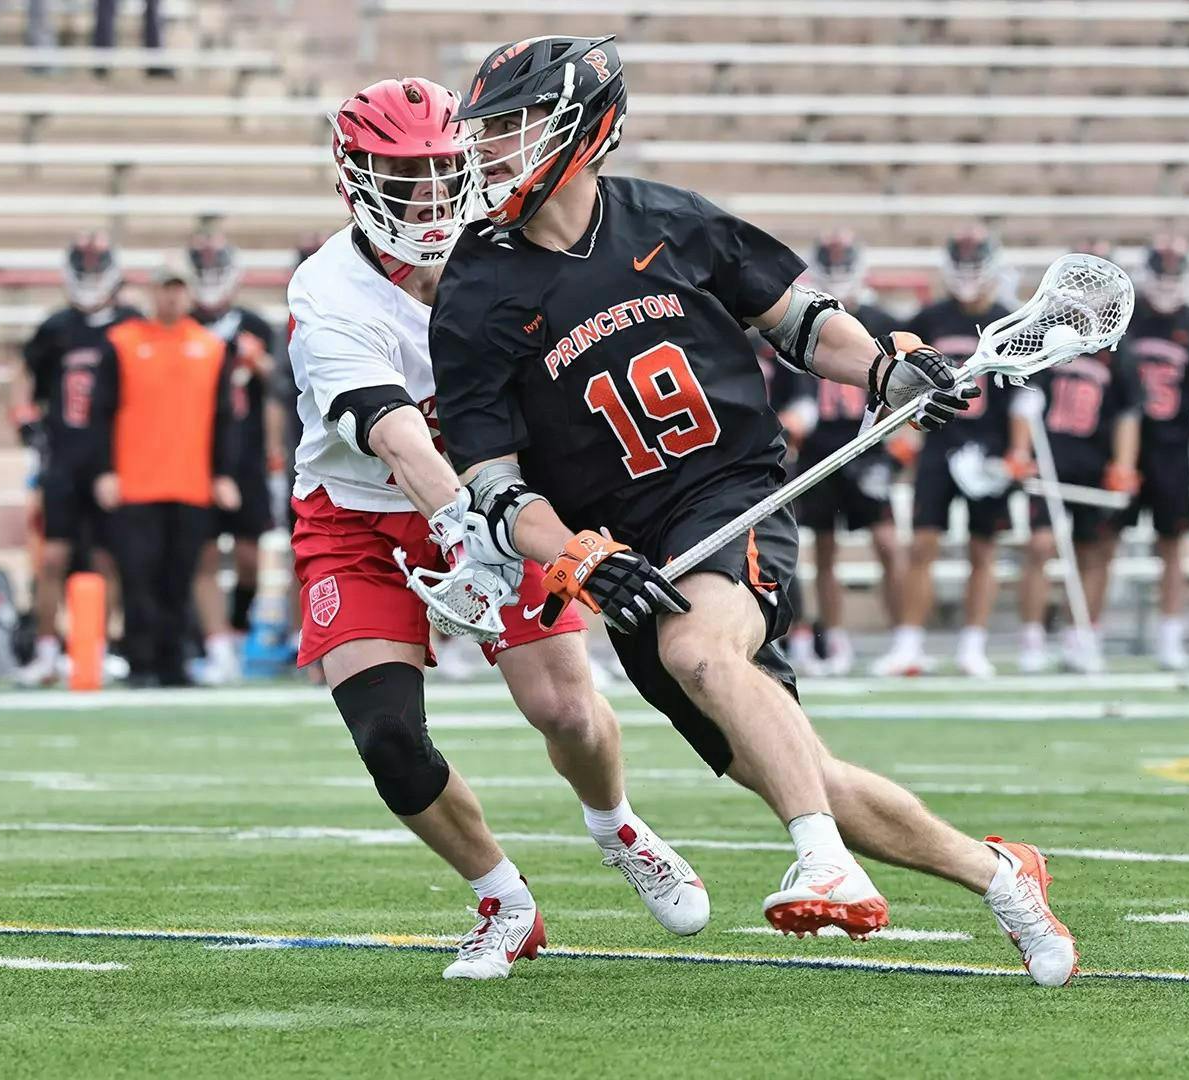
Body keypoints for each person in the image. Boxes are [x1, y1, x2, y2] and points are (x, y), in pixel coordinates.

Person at [431, 37, 1076, 986]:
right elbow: (491, 481)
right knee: (802, 766)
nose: (488, 149)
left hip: (730, 495)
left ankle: (821, 860)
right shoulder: (474, 288)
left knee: (701, 651)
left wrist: (886, 372)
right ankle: (1003, 877)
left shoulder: (670, 221)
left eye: (511, 125)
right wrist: (574, 556)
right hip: (620, 555)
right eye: (485, 129)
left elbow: (801, 322)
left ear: (581, 128)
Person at [290, 77, 705, 981]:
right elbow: (397, 434)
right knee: (387, 737)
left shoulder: (511, 249)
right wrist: (457, 527)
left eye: (445, 170)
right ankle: (503, 899)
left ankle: (617, 826)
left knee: (565, 710)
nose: (431, 195)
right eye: (405, 177)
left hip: (499, 497)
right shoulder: (329, 291)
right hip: (364, 519)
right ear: (355, 181)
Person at [872, 228, 1014, 677]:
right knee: (922, 545)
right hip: (938, 443)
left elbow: (1024, 395)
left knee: (983, 549)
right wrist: (902, 434)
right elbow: (900, 381)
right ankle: (909, 643)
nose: (969, 274)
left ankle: (973, 645)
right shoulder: (930, 319)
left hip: (989, 448)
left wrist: (1018, 451)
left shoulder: (1007, 321)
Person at [89, 259, 237, 687]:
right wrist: (105, 470)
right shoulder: (122, 342)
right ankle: (140, 661)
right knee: (138, 577)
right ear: (152, 293)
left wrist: (221, 473)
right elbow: (100, 413)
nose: (171, 297)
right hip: (136, 483)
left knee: (179, 577)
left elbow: (224, 418)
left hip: (190, 482)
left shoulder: (210, 348)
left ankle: (173, 663)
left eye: (178, 289)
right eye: (164, 289)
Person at [13, 232, 140, 687]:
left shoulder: (131, 325)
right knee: (52, 558)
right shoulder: (56, 328)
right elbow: (25, 375)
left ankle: (98, 648)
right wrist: (24, 417)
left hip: (114, 459)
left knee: (109, 559)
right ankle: (47, 651)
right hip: (64, 457)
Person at [777, 231, 902, 676]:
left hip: (867, 444)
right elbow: (797, 394)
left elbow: (901, 383)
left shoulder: (880, 320)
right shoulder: (805, 319)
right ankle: (834, 637)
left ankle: (904, 637)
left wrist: (900, 434)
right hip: (819, 450)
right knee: (824, 549)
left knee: (887, 542)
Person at [1121, 236, 1189, 671]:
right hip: (1121, 446)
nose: (1167, 283)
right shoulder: (1125, 316)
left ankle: (1170, 637)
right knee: (1100, 541)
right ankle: (1085, 634)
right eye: (1160, 273)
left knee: (1173, 544)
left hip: (1172, 446)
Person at [1009, 344, 1142, 674]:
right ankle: (1032, 638)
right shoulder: (1045, 340)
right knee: (1040, 546)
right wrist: (1021, 450)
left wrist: (1124, 465)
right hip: (1048, 462)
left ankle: (1080, 637)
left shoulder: (1117, 352)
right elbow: (1025, 398)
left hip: (1095, 463)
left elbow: (1128, 413)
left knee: (1094, 552)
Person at [184, 232, 279, 685]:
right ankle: (216, 644)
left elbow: (281, 388)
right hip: (194, 455)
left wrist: (260, 365)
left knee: (248, 557)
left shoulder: (253, 326)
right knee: (202, 555)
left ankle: (238, 635)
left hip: (246, 456)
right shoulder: (183, 327)